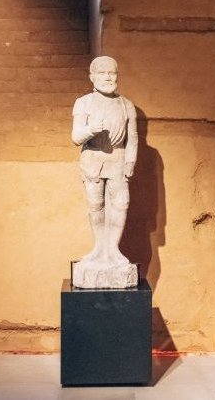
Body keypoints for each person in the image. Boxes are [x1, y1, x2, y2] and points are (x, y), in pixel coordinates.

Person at [71, 56, 137, 270]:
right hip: (93, 159)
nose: (108, 77)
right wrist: (92, 129)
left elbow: (133, 137)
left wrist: (130, 161)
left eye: (112, 73)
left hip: (117, 159)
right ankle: (99, 248)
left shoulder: (126, 105)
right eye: (102, 73)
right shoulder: (83, 103)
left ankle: (113, 249)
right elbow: (75, 137)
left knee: (121, 203)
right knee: (95, 204)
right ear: (92, 77)